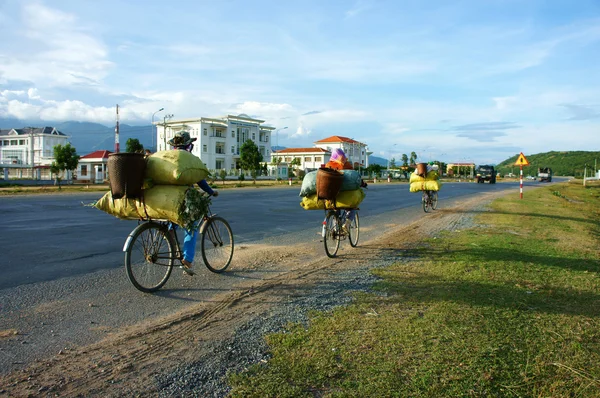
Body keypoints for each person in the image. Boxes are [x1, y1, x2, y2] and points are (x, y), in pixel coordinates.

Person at [167, 131, 218, 276]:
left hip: (167, 196)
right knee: (191, 225)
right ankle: (187, 260)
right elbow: (199, 179)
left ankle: (171, 237)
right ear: (189, 145)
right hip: (183, 196)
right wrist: (210, 191)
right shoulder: (188, 159)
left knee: (173, 220)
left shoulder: (166, 158)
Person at [324, 148, 366, 233]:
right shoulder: (347, 165)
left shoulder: (328, 165)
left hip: (332, 194)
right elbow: (354, 178)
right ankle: (347, 224)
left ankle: (335, 228)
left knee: (335, 208)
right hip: (345, 195)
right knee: (353, 207)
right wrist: (363, 184)